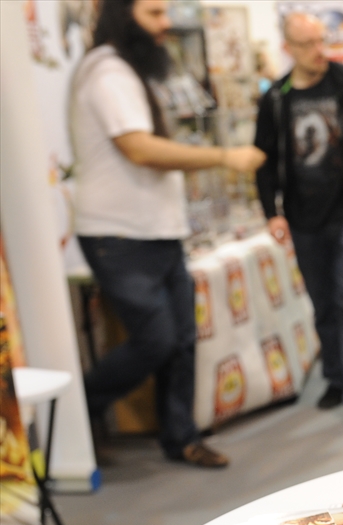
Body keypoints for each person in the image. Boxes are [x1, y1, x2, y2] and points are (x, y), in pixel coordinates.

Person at [71, 0, 264, 468]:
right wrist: (224, 157)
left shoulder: (127, 71)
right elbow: (139, 149)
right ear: (124, 15)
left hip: (156, 232)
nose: (166, 24)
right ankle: (78, 412)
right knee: (156, 339)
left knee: (180, 341)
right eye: (154, 14)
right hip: (119, 236)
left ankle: (181, 438)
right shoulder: (108, 72)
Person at [254, 12, 343, 427]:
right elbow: (263, 160)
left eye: (322, 41)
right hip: (303, 219)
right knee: (324, 306)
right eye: (308, 44)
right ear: (288, 48)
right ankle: (337, 377)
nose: (319, 51)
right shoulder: (275, 98)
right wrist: (271, 212)